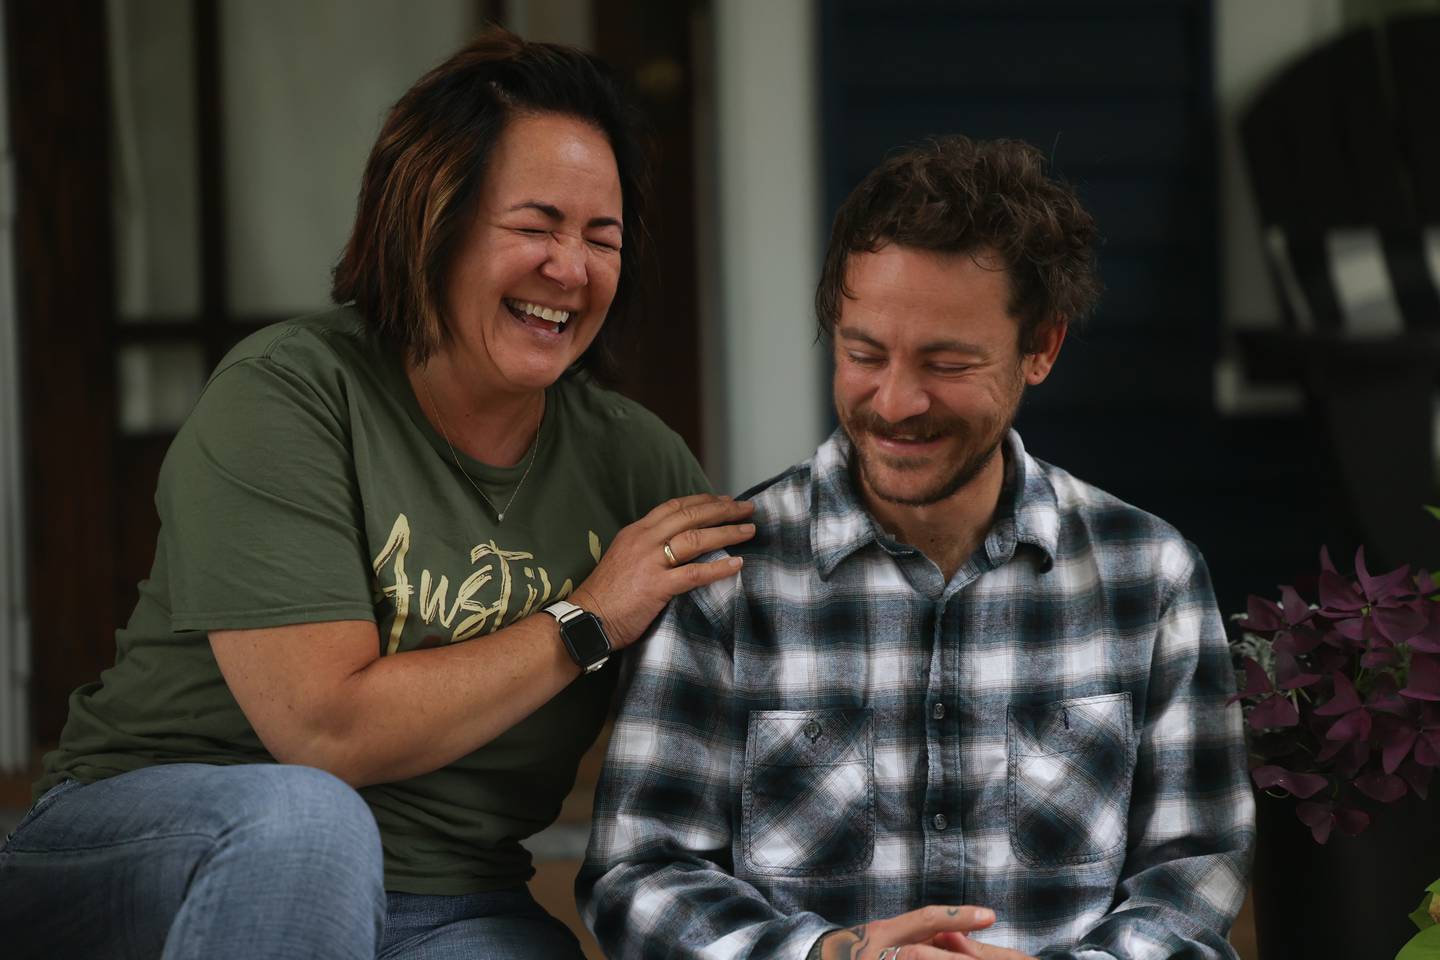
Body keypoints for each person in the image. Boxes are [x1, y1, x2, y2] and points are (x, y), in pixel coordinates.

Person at [0, 28, 754, 960]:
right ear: (430, 221)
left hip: (448, 901)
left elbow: (767, 679)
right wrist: (588, 617)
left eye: (603, 238)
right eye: (535, 226)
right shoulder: (289, 396)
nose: (573, 269)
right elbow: (326, 731)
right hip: (165, 848)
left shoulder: (635, 463)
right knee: (310, 823)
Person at [578, 136, 1255, 960]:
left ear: (1041, 347)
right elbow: (638, 874)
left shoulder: (1151, 578)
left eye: (946, 362)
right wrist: (834, 957)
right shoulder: (725, 581)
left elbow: (1194, 880)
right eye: (864, 354)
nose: (895, 401)